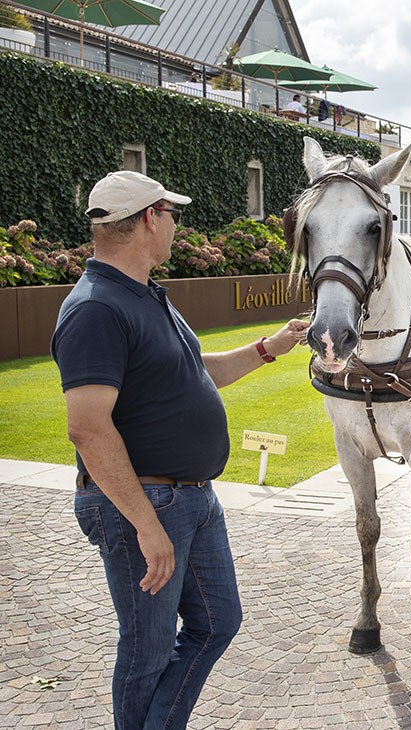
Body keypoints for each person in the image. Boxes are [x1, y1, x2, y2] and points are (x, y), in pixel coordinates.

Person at [51, 170, 308, 729]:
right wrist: (145, 524)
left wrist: (270, 347)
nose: (176, 226)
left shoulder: (144, 294)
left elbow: (198, 371)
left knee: (217, 623)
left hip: (191, 498)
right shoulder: (96, 308)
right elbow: (88, 429)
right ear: (150, 218)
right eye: (173, 214)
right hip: (144, 506)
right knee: (146, 652)